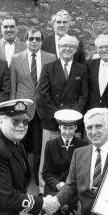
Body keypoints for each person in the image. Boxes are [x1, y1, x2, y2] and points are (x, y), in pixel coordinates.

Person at [37, 34, 89, 191]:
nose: (67, 49)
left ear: (75, 50)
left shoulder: (82, 69)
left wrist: (72, 116)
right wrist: (59, 116)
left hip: (74, 121)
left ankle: (72, 190)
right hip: (53, 120)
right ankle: (43, 190)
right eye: (64, 46)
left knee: (74, 157)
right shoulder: (48, 68)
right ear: (58, 48)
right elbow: (44, 94)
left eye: (71, 47)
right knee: (47, 157)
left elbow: (84, 95)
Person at [9, 27, 57, 183]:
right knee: (19, 143)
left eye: (37, 39)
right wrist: (12, 110)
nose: (34, 41)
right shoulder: (16, 58)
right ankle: (20, 177)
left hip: (42, 109)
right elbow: (13, 86)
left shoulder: (51, 57)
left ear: (42, 41)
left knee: (39, 147)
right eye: (31, 39)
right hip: (22, 109)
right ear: (26, 40)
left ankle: (38, 177)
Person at [41, 109, 87, 215]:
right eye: (64, 128)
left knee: (66, 206)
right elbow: (46, 172)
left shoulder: (83, 144)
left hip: (71, 189)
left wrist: (67, 186)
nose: (67, 132)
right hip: (53, 188)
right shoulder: (51, 144)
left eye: (71, 128)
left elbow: (82, 173)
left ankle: (67, 207)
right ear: (59, 127)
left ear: (76, 128)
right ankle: (58, 208)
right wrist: (57, 184)